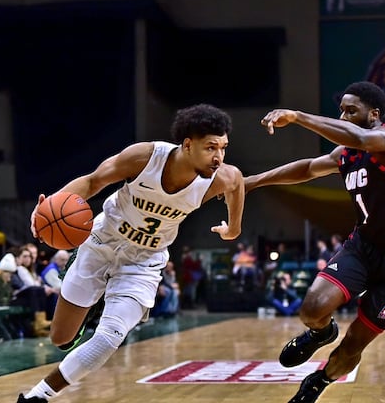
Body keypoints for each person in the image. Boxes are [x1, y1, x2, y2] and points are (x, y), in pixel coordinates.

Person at [17, 103, 244, 402]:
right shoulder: (145, 157)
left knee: (109, 337)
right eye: (211, 148)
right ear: (187, 145)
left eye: (223, 148)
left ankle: (37, 396)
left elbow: (238, 185)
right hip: (103, 243)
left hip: (144, 261)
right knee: (61, 338)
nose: (218, 157)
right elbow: (92, 181)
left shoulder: (221, 177)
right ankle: (95, 302)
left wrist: (233, 229)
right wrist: (51, 206)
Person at [243, 81, 385, 403]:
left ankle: (320, 380)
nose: (342, 116)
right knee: (312, 308)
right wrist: (254, 181)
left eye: (350, 111)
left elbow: (360, 138)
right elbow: (308, 169)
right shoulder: (346, 154)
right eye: (340, 109)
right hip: (363, 246)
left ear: (374, 114)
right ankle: (321, 332)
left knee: (353, 345)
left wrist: (297, 116)